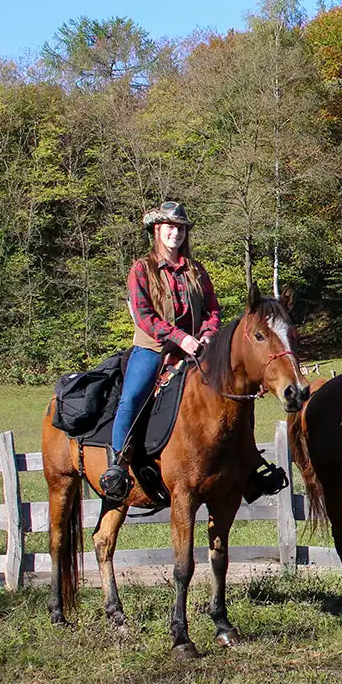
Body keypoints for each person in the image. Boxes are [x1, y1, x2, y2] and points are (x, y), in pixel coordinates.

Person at [99, 201, 220, 501]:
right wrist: (179, 338)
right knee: (133, 396)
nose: (175, 233)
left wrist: (206, 335)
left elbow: (212, 310)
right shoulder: (142, 269)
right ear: (157, 230)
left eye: (180, 228)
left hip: (196, 348)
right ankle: (118, 463)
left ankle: (243, 463)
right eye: (170, 227)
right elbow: (143, 315)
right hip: (154, 348)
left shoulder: (196, 270)